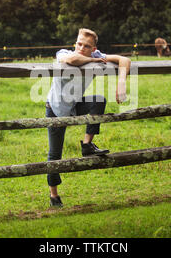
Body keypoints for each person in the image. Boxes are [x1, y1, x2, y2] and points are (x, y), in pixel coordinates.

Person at [46, 28, 131, 208]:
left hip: (74, 104)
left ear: (94, 48)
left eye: (87, 46)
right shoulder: (64, 53)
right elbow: (71, 60)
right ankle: (54, 195)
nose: (81, 48)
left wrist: (121, 82)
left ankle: (87, 145)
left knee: (98, 101)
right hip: (55, 108)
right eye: (79, 43)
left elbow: (125, 59)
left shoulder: (97, 54)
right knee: (55, 154)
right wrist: (93, 60)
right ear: (75, 43)